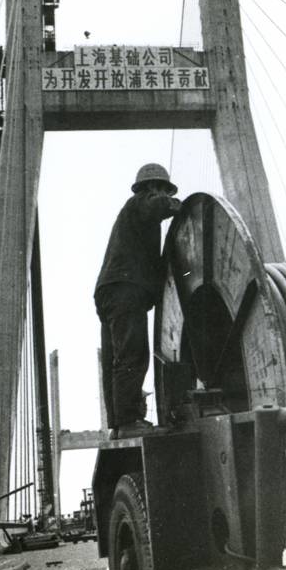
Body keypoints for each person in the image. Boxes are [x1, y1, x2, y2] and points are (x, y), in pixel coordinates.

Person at [94, 163, 182, 438]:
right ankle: (129, 422)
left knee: (117, 358)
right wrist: (179, 206)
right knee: (133, 354)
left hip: (111, 289)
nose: (163, 195)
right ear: (152, 187)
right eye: (162, 190)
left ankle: (119, 424)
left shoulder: (134, 219)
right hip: (125, 288)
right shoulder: (141, 202)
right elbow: (156, 205)